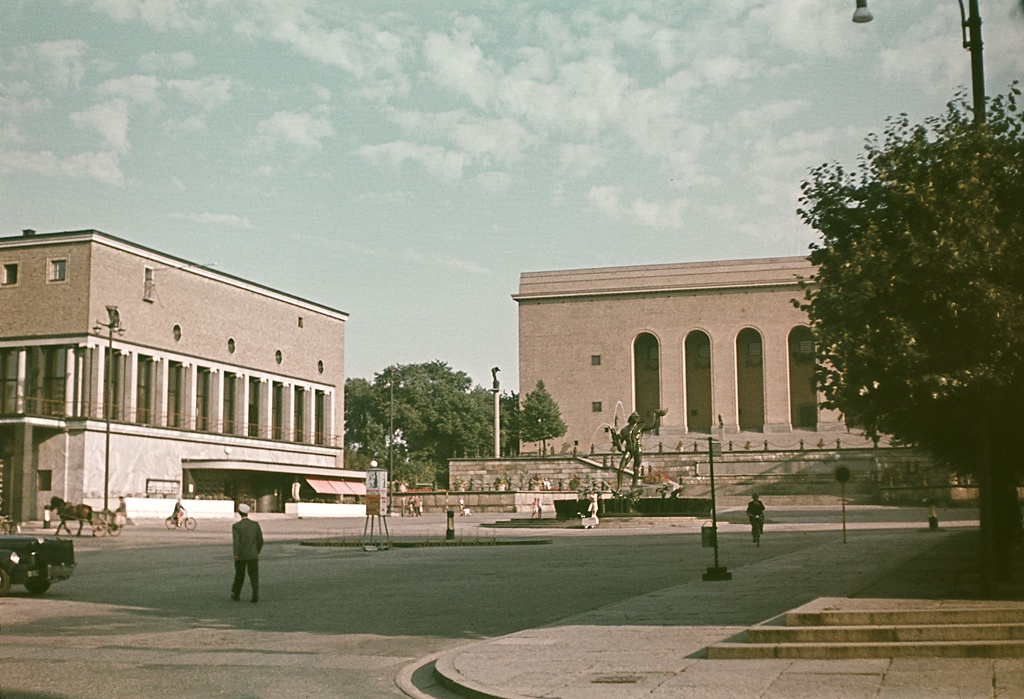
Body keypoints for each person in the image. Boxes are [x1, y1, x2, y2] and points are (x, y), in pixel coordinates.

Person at [231, 503, 264, 603]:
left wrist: (236, 554)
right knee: (254, 576)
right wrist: (256, 551)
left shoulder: (236, 526)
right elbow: (260, 540)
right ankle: (255, 594)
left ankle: (236, 594)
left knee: (239, 575)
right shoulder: (255, 525)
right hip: (253, 554)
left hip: (241, 555)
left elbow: (236, 542)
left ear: (239, 513)